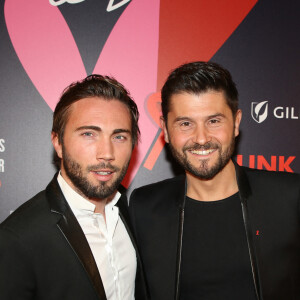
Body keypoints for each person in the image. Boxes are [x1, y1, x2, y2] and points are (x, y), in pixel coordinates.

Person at [129, 62, 300, 300]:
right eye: (185, 123)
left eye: (214, 121)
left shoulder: (290, 198)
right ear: (166, 130)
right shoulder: (144, 207)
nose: (201, 138)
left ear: (236, 123)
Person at [0, 75, 148, 300]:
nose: (107, 153)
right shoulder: (17, 239)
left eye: (119, 136)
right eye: (89, 134)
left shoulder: (134, 210)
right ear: (58, 142)